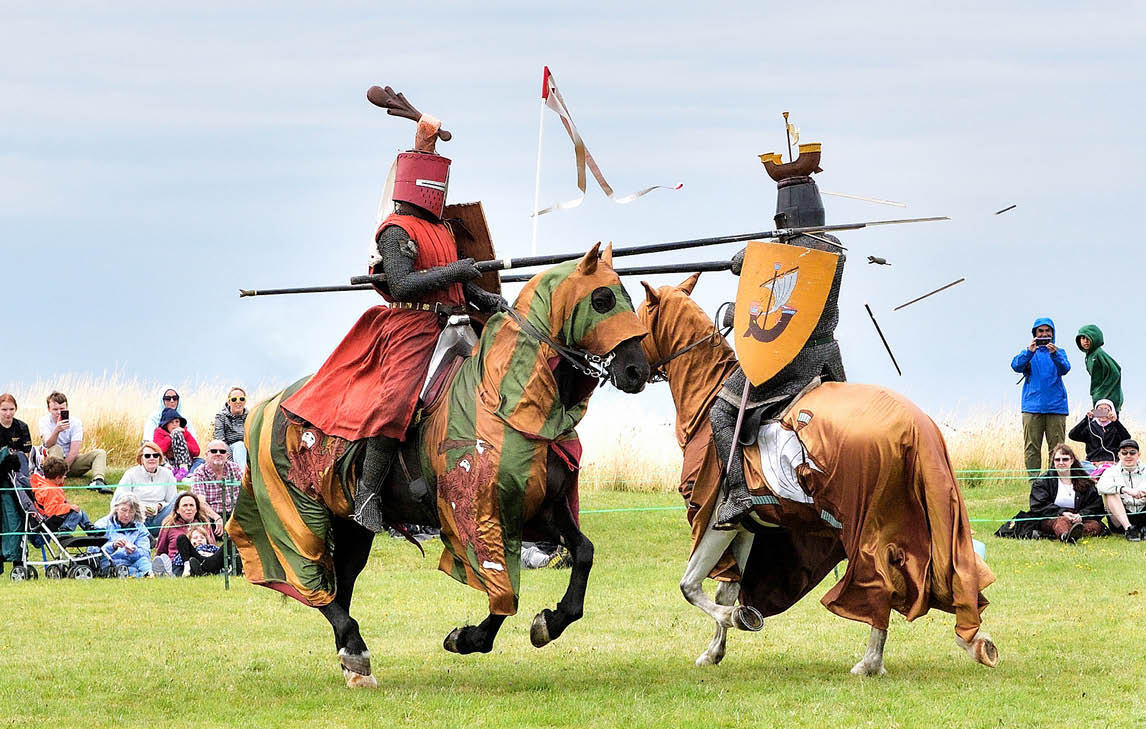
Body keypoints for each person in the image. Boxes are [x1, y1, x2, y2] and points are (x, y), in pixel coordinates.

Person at [279, 101, 501, 533]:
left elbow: (456, 286)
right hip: (410, 328)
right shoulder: (396, 228)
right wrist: (457, 271)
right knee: (397, 404)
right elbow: (401, 285)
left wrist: (486, 298)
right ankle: (367, 494)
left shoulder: (443, 229)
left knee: (494, 382)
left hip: (454, 323)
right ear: (417, 183)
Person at [712, 151, 847, 528]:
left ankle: (739, 494)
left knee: (720, 412)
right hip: (827, 358)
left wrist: (750, 265)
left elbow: (761, 281)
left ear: (782, 216)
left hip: (789, 361)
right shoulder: (834, 248)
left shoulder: (786, 253)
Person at [1010, 318, 1070, 478]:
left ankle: (1055, 481)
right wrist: (1029, 352)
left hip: (1056, 407)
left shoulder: (1059, 352)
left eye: (1047, 331)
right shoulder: (1028, 353)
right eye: (1040, 331)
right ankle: (1034, 482)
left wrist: (1055, 354)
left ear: (1053, 333)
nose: (1044, 334)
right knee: (1031, 447)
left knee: (1057, 449)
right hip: (1032, 407)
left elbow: (1065, 368)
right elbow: (1015, 366)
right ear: (1034, 334)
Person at [1028, 444, 1106, 543]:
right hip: (1054, 517)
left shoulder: (1084, 481)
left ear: (1072, 461)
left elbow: (1096, 505)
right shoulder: (1043, 482)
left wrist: (1081, 515)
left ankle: (1075, 532)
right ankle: (1065, 535)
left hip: (1078, 519)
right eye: (1057, 460)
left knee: (1095, 525)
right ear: (1053, 461)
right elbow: (1038, 505)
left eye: (1065, 459)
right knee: (1061, 522)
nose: (1061, 463)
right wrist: (1062, 513)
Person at [38, 390, 108, 489]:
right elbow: (48, 444)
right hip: (52, 462)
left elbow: (74, 452)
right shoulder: (44, 421)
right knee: (57, 448)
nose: (59, 412)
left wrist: (63, 470)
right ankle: (54, 478)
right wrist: (57, 430)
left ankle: (98, 480)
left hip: (70, 463)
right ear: (49, 409)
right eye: (55, 409)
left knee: (100, 453)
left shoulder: (75, 422)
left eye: (62, 409)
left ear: (66, 408)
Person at [113, 441, 178, 536]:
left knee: (182, 497)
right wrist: (139, 508)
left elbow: (172, 501)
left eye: (155, 455)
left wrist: (160, 506)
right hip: (136, 518)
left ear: (160, 458)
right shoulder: (131, 474)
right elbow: (119, 499)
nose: (152, 458)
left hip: (160, 517)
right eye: (147, 456)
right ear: (141, 458)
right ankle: (143, 535)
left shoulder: (167, 474)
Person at [152, 491, 221, 576]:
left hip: (203, 558)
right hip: (179, 563)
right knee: (182, 539)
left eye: (191, 505)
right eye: (185, 505)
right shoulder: (169, 526)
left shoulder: (204, 524)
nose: (188, 508)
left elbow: (212, 545)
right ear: (177, 510)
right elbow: (161, 550)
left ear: (196, 509)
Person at [29, 456, 99, 533]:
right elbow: (50, 511)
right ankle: (65, 529)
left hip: (51, 516)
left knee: (78, 511)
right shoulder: (50, 490)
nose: (65, 478)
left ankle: (89, 527)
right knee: (77, 513)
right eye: (63, 476)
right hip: (50, 520)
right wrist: (68, 508)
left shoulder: (45, 484)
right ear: (57, 478)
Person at [1096, 439, 1146, 541]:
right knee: (1111, 493)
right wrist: (1124, 489)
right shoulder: (1111, 471)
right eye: (1124, 453)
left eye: (1132, 452)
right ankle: (1129, 529)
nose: (1128, 456)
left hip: (1143, 512)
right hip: (1121, 518)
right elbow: (1100, 487)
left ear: (1138, 455)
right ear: (1119, 455)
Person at [1068, 398, 1130, 473]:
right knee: (1078, 469)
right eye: (1100, 410)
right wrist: (1087, 419)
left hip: (1112, 463)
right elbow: (1072, 435)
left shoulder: (1115, 427)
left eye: (1106, 410)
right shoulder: (1090, 427)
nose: (1103, 413)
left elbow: (1127, 439)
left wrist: (1116, 422)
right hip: (1092, 463)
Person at [100, 492, 152, 577]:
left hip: (132, 561)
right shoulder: (102, 524)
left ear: (135, 512)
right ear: (116, 508)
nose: (127, 515)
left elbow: (146, 554)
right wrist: (113, 546)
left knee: (144, 562)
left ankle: (150, 572)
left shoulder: (140, 527)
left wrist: (134, 551)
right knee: (129, 570)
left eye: (131, 512)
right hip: (111, 564)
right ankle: (146, 574)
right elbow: (93, 551)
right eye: (124, 510)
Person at [189, 440, 242, 518]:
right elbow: (200, 502)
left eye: (222, 451)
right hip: (211, 516)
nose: (218, 454)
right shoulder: (199, 472)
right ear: (206, 454)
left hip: (235, 514)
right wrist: (216, 518)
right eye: (214, 451)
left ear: (227, 455)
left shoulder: (234, 468)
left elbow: (245, 493)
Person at [1076, 324, 1123, 411]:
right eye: (1082, 338)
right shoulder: (1089, 356)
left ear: (1095, 338)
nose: (1085, 341)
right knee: (1094, 417)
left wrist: (1102, 393)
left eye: (1088, 338)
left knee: (1106, 417)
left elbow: (1116, 372)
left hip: (1108, 399)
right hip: (1100, 399)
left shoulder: (1099, 354)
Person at [152, 407, 202, 480]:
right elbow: (158, 450)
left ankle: (184, 470)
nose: (174, 424)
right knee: (153, 453)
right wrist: (170, 437)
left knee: (200, 461)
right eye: (171, 422)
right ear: (166, 424)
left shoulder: (185, 433)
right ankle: (171, 472)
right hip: (167, 463)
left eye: (177, 422)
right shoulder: (159, 433)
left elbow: (196, 451)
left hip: (185, 462)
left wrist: (182, 442)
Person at [214, 387, 248, 469]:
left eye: (241, 399)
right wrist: (230, 462)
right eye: (234, 399)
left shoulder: (250, 416)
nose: (238, 402)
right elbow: (220, 441)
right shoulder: (221, 417)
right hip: (228, 450)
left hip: (247, 450)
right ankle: (241, 475)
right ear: (229, 402)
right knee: (239, 446)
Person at [0, 393, 32, 458]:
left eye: (11, 409)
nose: (8, 413)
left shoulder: (22, 427)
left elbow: (26, 453)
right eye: (4, 410)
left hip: (17, 462)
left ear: (16, 409)